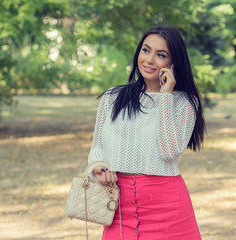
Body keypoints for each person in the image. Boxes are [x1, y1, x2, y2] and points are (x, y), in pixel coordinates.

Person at [88, 25, 205, 240]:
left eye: (160, 55)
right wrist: (98, 168)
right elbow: (97, 147)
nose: (149, 60)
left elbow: (170, 152)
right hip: (118, 206)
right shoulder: (112, 98)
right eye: (146, 50)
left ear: (173, 63)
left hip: (168, 208)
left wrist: (165, 96)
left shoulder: (184, 103)